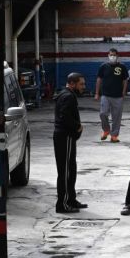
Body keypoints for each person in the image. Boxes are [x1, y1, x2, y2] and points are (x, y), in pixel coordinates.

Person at [54, 72, 88, 213]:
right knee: (66, 172)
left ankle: (71, 199)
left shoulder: (65, 94)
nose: (83, 87)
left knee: (71, 169)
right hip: (65, 137)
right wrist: (77, 126)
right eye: (81, 84)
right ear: (72, 83)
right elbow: (64, 117)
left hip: (66, 138)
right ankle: (63, 204)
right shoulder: (68, 96)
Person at [94, 48, 129, 143]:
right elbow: (99, 80)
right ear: (108, 56)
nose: (112, 56)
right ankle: (106, 130)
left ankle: (114, 135)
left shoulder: (122, 67)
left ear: (117, 56)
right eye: (110, 55)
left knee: (116, 117)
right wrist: (97, 93)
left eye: (114, 55)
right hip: (105, 95)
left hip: (118, 96)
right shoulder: (103, 66)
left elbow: (125, 80)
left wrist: (123, 92)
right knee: (103, 113)